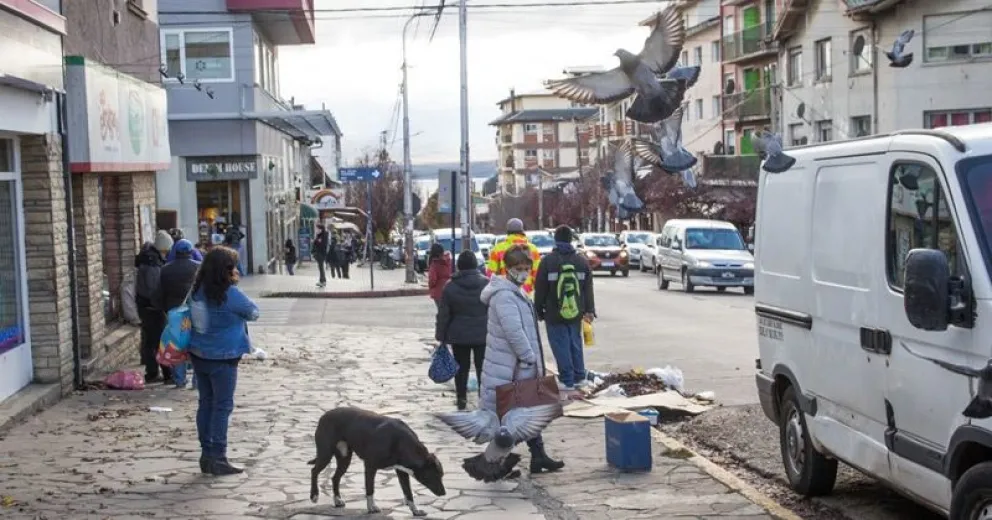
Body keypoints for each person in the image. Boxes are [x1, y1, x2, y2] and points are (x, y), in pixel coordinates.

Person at [479, 244, 564, 474]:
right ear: (508, 268)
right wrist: (529, 357)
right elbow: (514, 332)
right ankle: (493, 463)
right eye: (519, 267)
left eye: (527, 267)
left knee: (528, 412)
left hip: (518, 367)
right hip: (511, 368)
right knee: (510, 419)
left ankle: (538, 456)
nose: (524, 272)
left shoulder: (517, 292)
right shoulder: (504, 296)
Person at [188, 246, 259, 476]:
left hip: (199, 354)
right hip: (224, 357)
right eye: (233, 267)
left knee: (206, 402)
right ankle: (218, 456)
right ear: (226, 270)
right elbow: (254, 312)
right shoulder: (230, 294)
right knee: (222, 406)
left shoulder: (197, 290)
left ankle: (206, 454)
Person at [534, 226, 597, 392]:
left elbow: (540, 289)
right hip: (576, 311)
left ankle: (566, 379)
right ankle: (579, 377)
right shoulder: (581, 261)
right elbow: (588, 288)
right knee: (575, 343)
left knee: (560, 345)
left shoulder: (548, 261)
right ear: (571, 240)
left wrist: (538, 310)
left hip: (554, 312)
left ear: (555, 240)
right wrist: (589, 310)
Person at [435, 251, 488, 410]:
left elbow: (444, 314)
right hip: (483, 334)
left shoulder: (450, 287)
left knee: (461, 368)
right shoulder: (486, 284)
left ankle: (461, 398)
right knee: (483, 368)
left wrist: (441, 335)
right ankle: (484, 398)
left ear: (458, 266)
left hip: (459, 335)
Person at [157, 239, 201, 388]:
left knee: (176, 344)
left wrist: (165, 309)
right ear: (190, 251)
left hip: (174, 313)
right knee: (195, 345)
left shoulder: (166, 269)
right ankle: (197, 380)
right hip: (194, 312)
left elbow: (161, 292)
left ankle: (179, 379)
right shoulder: (198, 268)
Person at [135, 230, 174, 383]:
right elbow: (153, 289)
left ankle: (153, 372)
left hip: (146, 306)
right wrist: (161, 302)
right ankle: (163, 373)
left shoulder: (149, 258)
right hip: (152, 307)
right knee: (159, 341)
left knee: (151, 341)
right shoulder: (152, 263)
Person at [486, 218, 541, 295]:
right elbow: (537, 274)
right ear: (522, 231)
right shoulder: (533, 249)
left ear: (508, 232)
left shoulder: (498, 249)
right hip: (527, 294)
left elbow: (491, 276)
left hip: (505, 292)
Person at [427, 243, 452, 309]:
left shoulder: (435, 264)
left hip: (439, 292)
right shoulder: (449, 260)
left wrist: (431, 287)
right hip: (450, 289)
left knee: (442, 313)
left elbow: (432, 280)